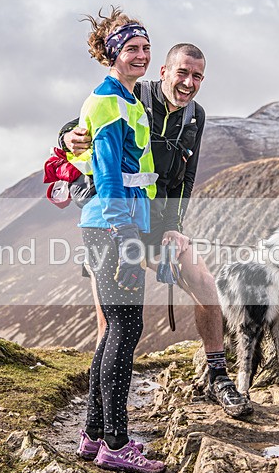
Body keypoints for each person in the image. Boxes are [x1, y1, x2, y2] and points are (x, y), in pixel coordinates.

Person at [61, 44, 253, 418]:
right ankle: (100, 413)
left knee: (204, 282)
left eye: (197, 76)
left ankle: (217, 375)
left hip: (158, 226)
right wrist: (66, 137)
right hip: (117, 224)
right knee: (111, 324)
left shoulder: (195, 116)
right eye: (182, 72)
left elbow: (187, 177)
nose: (189, 82)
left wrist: (174, 228)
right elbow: (87, 121)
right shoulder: (133, 93)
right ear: (163, 72)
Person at [70, 7, 165, 473]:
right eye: (132, 49)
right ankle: (116, 443)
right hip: (113, 227)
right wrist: (127, 234)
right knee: (125, 331)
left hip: (116, 225)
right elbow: (107, 176)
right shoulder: (108, 102)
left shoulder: (127, 98)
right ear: (112, 54)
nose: (142, 56)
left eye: (146, 48)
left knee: (116, 330)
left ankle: (93, 436)